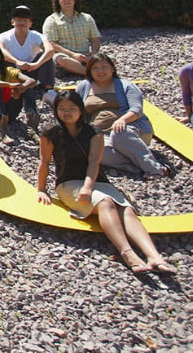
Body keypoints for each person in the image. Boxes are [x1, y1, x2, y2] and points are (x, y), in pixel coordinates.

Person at [36, 90, 178, 274]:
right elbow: (44, 162)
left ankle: (154, 256)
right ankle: (127, 253)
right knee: (105, 203)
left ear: (81, 110)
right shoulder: (50, 133)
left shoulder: (93, 132)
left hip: (97, 181)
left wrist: (88, 187)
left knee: (126, 209)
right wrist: (41, 189)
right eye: (62, 109)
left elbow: (95, 161)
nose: (66, 112)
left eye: (72, 108)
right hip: (68, 183)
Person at [75, 53, 170, 178]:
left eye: (104, 67)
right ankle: (138, 166)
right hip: (102, 134)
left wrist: (122, 120)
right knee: (93, 149)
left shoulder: (126, 86)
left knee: (119, 132)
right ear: (90, 71)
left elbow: (136, 109)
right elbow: (76, 109)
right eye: (95, 68)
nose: (100, 71)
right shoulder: (84, 87)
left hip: (131, 128)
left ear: (112, 69)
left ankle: (155, 169)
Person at [0, 5, 56, 115]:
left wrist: (37, 64)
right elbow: (0, 50)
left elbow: (50, 50)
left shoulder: (36, 36)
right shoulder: (3, 36)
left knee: (46, 57)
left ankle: (47, 90)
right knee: (4, 61)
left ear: (30, 23)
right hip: (13, 73)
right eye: (18, 20)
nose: (22, 23)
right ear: (12, 22)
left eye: (25, 20)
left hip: (31, 69)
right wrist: (17, 62)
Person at [42, 0, 101, 76]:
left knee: (110, 60)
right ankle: (92, 74)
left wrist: (94, 53)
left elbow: (95, 38)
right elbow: (51, 44)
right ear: (58, 1)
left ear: (75, 0)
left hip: (85, 55)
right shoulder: (52, 20)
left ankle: (85, 69)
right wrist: (73, 55)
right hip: (65, 56)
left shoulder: (87, 18)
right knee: (62, 59)